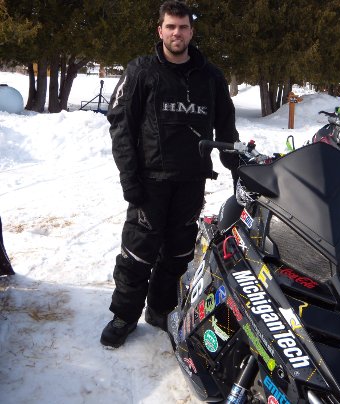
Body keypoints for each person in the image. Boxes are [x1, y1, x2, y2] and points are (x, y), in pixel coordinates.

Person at [101, 0, 239, 348]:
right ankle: (123, 316)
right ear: (160, 30)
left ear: (192, 31)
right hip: (149, 182)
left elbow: (226, 128)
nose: (177, 33)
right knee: (138, 252)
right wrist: (129, 178)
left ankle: (160, 309)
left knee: (178, 252)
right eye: (171, 27)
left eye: (184, 27)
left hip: (191, 181)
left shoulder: (211, 77)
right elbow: (121, 127)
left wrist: (239, 169)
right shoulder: (141, 71)